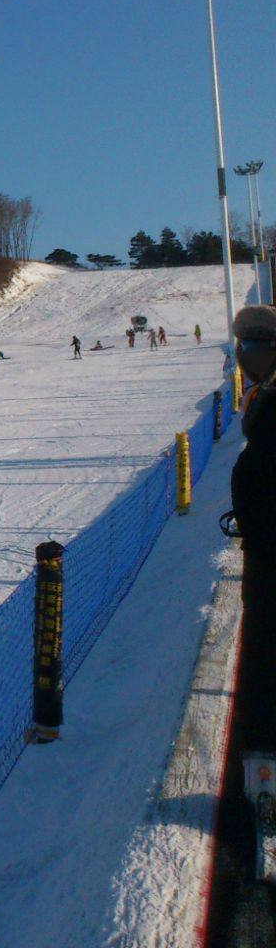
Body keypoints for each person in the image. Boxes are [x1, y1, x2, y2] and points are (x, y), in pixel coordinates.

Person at [228, 306, 276, 875]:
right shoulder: (261, 401)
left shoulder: (269, 410)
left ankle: (263, 785)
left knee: (265, 676)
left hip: (270, 565)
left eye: (257, 346)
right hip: (264, 560)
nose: (247, 357)